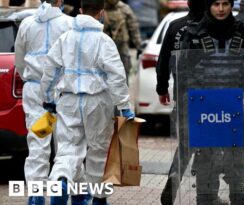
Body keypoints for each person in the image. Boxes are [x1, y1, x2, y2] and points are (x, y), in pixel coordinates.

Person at [40, 0, 135, 204]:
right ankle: (99, 199)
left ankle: (61, 180)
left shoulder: (64, 39)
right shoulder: (104, 41)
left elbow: (50, 70)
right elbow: (116, 76)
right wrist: (125, 106)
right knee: (98, 151)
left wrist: (48, 99)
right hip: (98, 102)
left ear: (80, 11)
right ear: (101, 13)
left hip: (69, 101)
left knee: (68, 148)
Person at [180, 0, 244, 204]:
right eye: (216, 4)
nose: (221, 8)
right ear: (209, 6)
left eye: (225, 3)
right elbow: (183, 70)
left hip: (234, 107)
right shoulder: (195, 33)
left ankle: (239, 198)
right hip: (204, 108)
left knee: (236, 160)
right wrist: (193, 98)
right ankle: (206, 199)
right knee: (206, 159)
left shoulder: (241, 33)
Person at [14, 1, 73, 204]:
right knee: (66, 144)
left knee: (38, 143)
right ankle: (61, 190)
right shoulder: (69, 24)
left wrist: (30, 79)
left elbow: (19, 60)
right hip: (62, 91)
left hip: (35, 91)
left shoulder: (27, 23)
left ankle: (36, 196)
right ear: (60, 2)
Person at [155, 0, 206, 204]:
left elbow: (163, 59)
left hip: (184, 94)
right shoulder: (213, 28)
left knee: (186, 144)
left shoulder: (175, 26)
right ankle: (206, 192)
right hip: (211, 95)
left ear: (188, 3)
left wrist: (162, 87)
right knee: (209, 144)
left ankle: (174, 178)